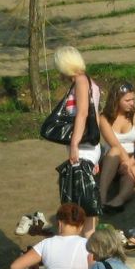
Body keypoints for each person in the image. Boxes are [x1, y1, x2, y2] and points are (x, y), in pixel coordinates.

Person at [54, 46, 103, 236]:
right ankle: (87, 241)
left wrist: (74, 144)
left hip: (82, 146)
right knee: (84, 194)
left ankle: (84, 243)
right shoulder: (89, 82)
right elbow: (95, 115)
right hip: (90, 145)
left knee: (79, 197)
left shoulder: (81, 82)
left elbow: (82, 114)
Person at [97, 80, 135, 215]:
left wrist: (130, 165)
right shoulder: (104, 118)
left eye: (133, 99)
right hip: (112, 159)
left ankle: (118, 201)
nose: (132, 103)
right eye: (127, 100)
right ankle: (101, 198)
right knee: (115, 150)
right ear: (116, 100)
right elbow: (115, 144)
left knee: (130, 176)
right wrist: (129, 166)